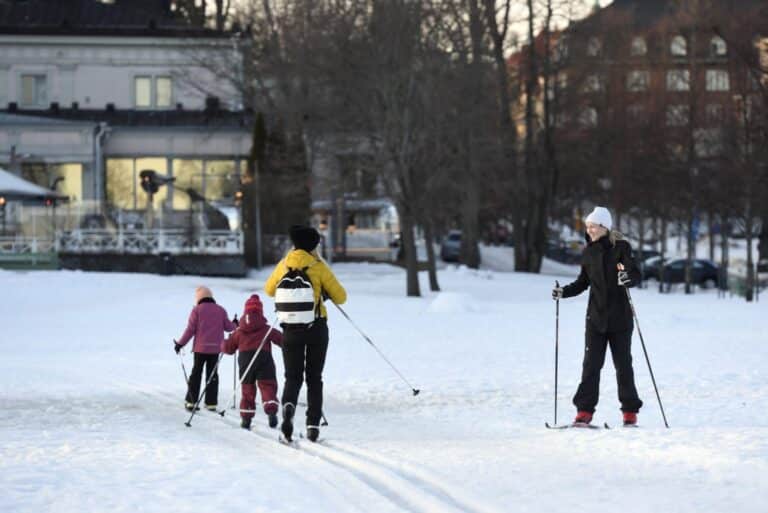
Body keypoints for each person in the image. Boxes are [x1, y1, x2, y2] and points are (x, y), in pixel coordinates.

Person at [552, 206, 643, 426]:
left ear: (604, 227)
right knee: (591, 366)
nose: (589, 230)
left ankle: (629, 412)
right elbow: (583, 282)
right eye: (588, 227)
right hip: (596, 319)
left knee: (623, 366)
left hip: (620, 319)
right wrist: (564, 292)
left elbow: (633, 273)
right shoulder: (589, 253)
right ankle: (584, 411)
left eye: (593, 226)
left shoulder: (620, 248)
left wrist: (627, 277)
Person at [264, 225, 347, 442]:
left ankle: (288, 406)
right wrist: (322, 293)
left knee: (292, 377)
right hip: (316, 327)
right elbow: (341, 297)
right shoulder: (318, 267)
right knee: (314, 378)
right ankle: (312, 425)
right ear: (313, 246)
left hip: (290, 329)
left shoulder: (284, 264)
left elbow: (269, 290)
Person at [221, 294, 284, 430]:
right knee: (267, 386)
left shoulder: (239, 332)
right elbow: (282, 340)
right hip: (264, 359)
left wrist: (224, 343)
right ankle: (271, 410)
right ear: (260, 312)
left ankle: (246, 418)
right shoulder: (266, 329)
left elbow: (229, 349)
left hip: (245, 361)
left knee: (247, 389)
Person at [175, 286, 237, 411]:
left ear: (199, 298)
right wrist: (235, 323)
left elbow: (190, 330)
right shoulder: (220, 310)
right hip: (216, 349)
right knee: (213, 375)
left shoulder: (197, 310)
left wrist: (180, 344)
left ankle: (191, 402)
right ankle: (211, 403)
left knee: (196, 374)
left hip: (200, 349)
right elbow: (229, 327)